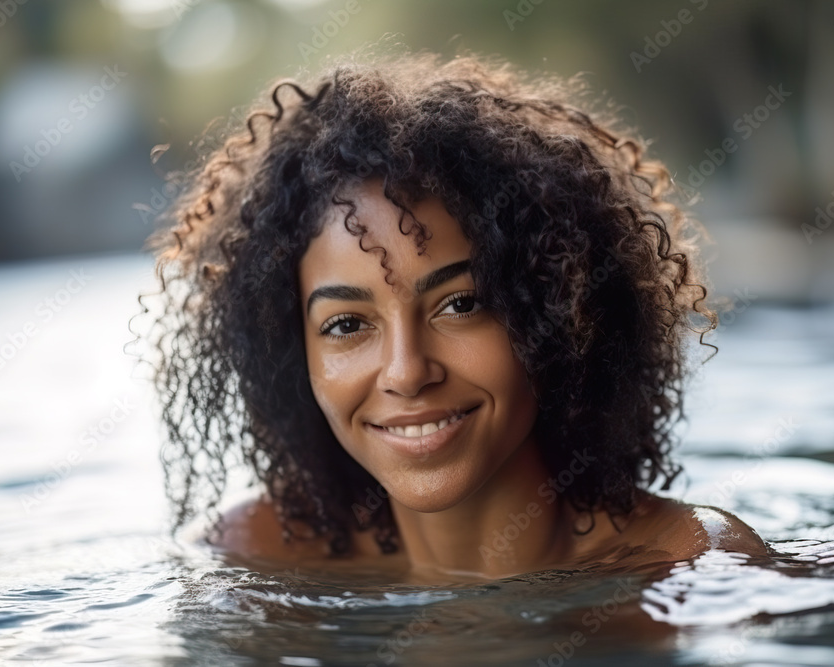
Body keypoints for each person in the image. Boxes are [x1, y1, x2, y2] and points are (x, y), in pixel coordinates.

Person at [139, 47, 767, 583]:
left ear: (560, 316)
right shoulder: (248, 558)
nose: (406, 372)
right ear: (291, 354)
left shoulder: (692, 565)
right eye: (347, 325)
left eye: (461, 304)